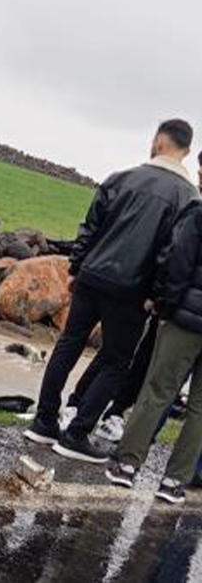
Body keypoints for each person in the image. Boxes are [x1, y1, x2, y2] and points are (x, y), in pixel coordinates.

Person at [25, 119, 198, 463]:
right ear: (187, 152)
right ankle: (76, 434)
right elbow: (172, 254)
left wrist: (76, 268)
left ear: (157, 142)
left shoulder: (120, 178)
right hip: (133, 290)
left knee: (68, 345)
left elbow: (90, 226)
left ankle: (44, 421)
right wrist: (158, 296)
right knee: (117, 362)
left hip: (92, 276)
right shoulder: (187, 197)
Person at [106, 199, 202, 504]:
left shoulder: (198, 214)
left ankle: (127, 464)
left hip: (185, 319)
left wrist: (165, 305)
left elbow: (178, 260)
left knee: (159, 390)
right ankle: (174, 481)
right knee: (201, 408)